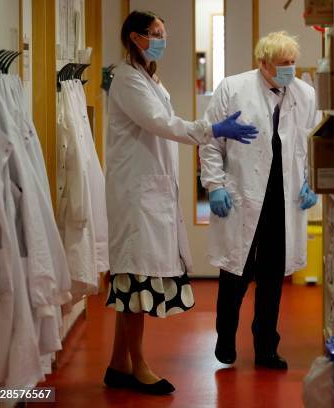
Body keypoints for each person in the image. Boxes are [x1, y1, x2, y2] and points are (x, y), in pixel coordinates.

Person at [103, 10, 258, 395]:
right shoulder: (127, 80)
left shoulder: (147, 78)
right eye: (155, 34)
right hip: (136, 196)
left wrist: (206, 131)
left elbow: (164, 121)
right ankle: (137, 366)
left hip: (147, 192)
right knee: (135, 281)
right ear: (135, 38)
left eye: (163, 33)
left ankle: (117, 364)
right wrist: (212, 130)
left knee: (131, 281)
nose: (161, 40)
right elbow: (164, 124)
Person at [200, 31, 321, 370]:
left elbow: (309, 145)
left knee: (271, 277)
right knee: (235, 273)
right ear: (263, 64)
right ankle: (225, 338)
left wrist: (311, 184)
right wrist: (215, 185)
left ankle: (266, 346)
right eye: (282, 64)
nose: (289, 70)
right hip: (242, 195)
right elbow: (210, 141)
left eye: (293, 63)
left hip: (283, 198)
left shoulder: (305, 94)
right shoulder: (233, 88)